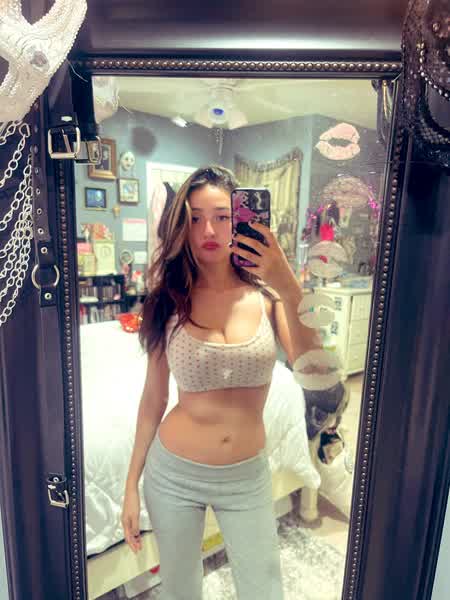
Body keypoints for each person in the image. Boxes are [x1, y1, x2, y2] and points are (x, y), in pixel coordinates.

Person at [121, 165, 321, 600]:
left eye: (222, 216)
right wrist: (130, 485)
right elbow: (153, 398)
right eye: (194, 218)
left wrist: (289, 286)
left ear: (241, 220)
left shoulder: (269, 297)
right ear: (181, 226)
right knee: (181, 590)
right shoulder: (167, 301)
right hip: (173, 474)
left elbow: (314, 371)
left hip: (246, 475)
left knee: (264, 589)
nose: (208, 230)